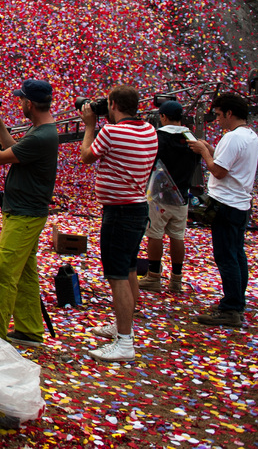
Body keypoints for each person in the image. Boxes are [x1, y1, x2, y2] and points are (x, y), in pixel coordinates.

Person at [0, 78, 58, 349]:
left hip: (24, 214)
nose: (19, 104)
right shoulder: (41, 131)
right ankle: (29, 330)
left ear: (29, 103)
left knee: (5, 272)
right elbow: (10, 149)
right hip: (25, 211)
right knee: (26, 274)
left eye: (21, 100)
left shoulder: (42, 136)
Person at [78, 86, 158, 362]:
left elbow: (86, 156)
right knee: (130, 269)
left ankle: (125, 342)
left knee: (117, 276)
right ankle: (124, 326)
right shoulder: (149, 130)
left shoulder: (111, 132)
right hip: (137, 208)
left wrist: (90, 126)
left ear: (112, 104)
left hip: (120, 213)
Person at [187, 93, 258, 327]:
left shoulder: (233, 138)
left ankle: (231, 309)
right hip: (241, 204)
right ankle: (236, 301)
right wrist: (211, 148)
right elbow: (230, 162)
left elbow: (218, 171)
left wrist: (204, 152)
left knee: (226, 256)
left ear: (229, 113)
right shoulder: (251, 136)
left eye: (218, 115)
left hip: (226, 204)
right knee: (237, 255)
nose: (217, 120)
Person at [140, 100, 203, 294]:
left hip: (159, 196)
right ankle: (176, 279)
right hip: (183, 194)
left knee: (154, 234)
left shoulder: (158, 137)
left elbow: (148, 160)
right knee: (177, 236)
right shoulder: (191, 138)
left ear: (163, 117)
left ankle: (154, 276)